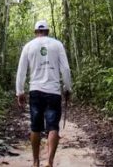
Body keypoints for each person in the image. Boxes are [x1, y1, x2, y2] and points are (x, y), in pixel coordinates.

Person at [15, 20, 72, 167]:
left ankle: (35, 162)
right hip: (53, 91)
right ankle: (50, 162)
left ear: (35, 32)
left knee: (35, 127)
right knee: (53, 126)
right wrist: (67, 88)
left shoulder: (28, 46)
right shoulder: (57, 44)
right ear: (48, 31)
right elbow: (65, 69)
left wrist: (19, 91)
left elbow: (21, 71)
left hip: (35, 91)